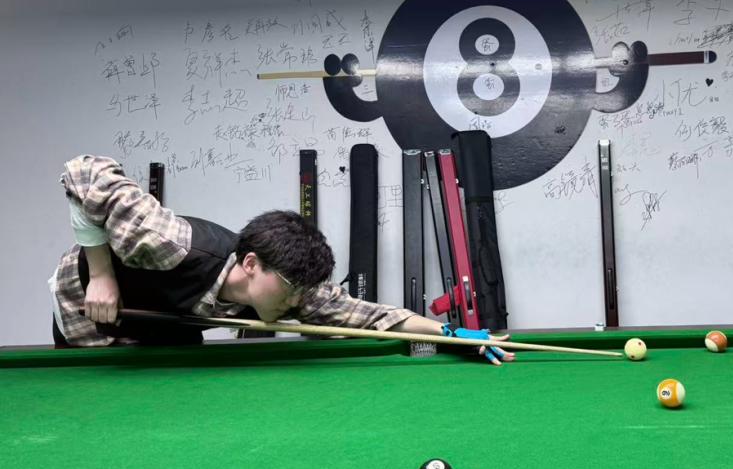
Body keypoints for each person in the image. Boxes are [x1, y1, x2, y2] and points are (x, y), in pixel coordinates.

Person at [49, 155, 514, 364]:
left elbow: (378, 318)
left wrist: (453, 334)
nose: (296, 304)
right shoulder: (168, 242)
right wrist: (102, 275)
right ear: (251, 264)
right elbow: (84, 171)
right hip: (84, 312)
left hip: (165, 322)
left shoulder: (291, 293)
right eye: (290, 290)